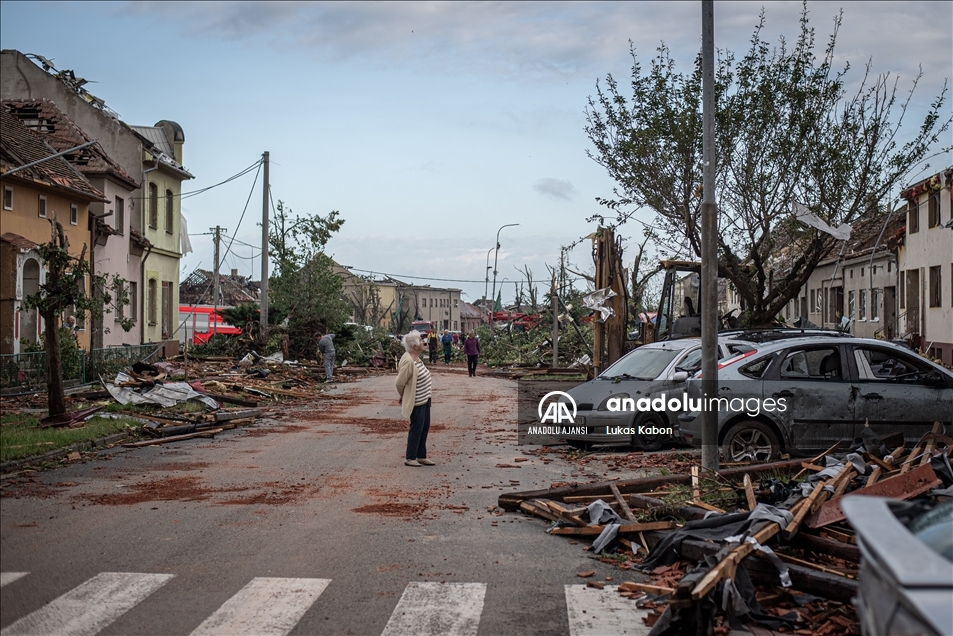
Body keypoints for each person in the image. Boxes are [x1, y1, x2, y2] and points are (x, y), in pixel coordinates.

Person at [396, 331, 435, 467]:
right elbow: (400, 382)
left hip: (425, 398)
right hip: (417, 400)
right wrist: (403, 395)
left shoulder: (417, 358)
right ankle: (410, 457)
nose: (423, 343)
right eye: (420, 340)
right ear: (414, 346)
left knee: (424, 427)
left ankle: (421, 455)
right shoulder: (408, 361)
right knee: (416, 428)